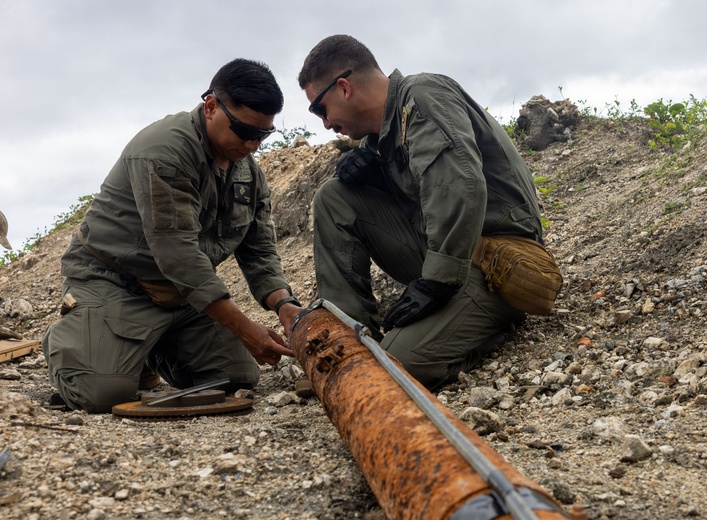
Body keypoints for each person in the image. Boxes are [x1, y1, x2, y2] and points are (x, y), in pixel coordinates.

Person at [43, 58, 303, 413]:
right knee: (100, 394)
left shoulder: (248, 173)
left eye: (263, 134)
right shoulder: (164, 151)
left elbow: (259, 252)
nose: (253, 144)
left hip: (181, 298)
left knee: (238, 376)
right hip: (116, 283)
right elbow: (177, 254)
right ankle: (77, 338)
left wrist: (285, 306)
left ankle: (146, 349)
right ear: (211, 105)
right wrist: (243, 328)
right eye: (244, 131)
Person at [297, 35, 556, 390]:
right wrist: (378, 177)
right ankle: (350, 337)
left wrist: (436, 282)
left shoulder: (422, 96)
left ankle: (487, 329)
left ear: (343, 87)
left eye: (320, 109)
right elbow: (424, 202)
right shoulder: (384, 137)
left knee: (391, 369)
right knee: (334, 196)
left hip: (497, 266)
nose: (325, 124)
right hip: (453, 256)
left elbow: (460, 186)